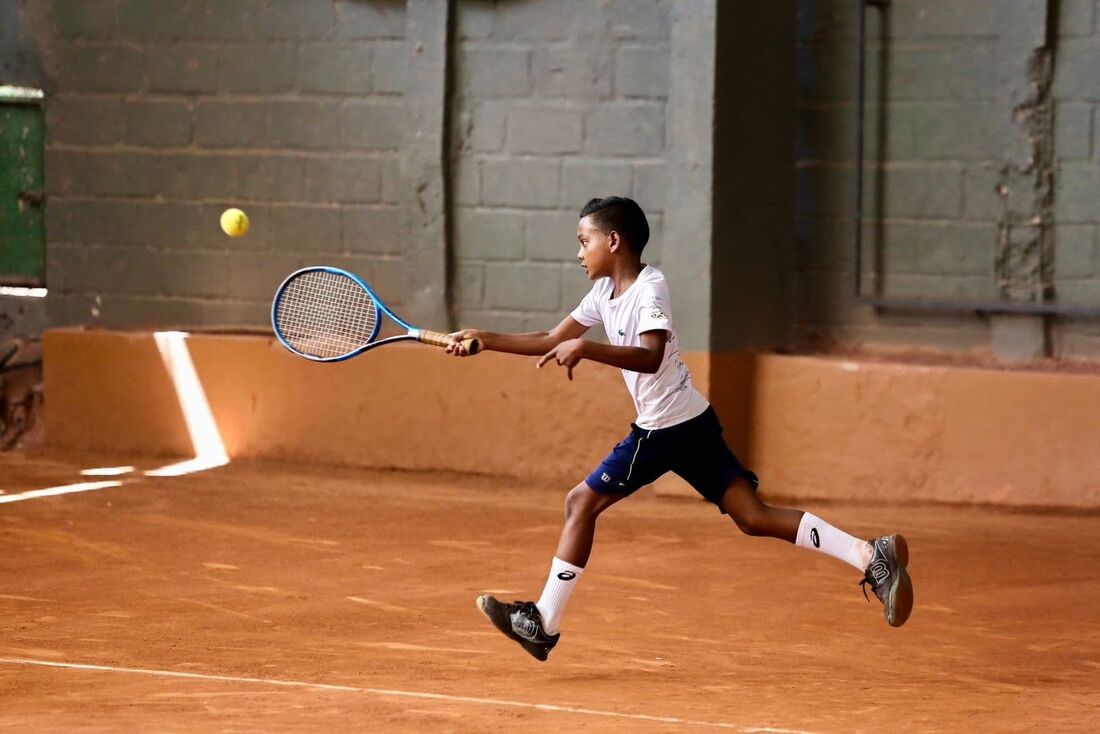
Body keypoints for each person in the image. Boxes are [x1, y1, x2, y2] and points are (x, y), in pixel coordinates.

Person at [446, 196, 913, 661]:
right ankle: (870, 554)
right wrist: (484, 339)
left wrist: (587, 350)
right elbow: (550, 340)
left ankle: (543, 623)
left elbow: (650, 356)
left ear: (613, 241)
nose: (579, 253)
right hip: (691, 421)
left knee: (580, 502)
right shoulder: (601, 295)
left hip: (663, 430)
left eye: (583, 241)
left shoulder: (651, 288)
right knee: (753, 517)